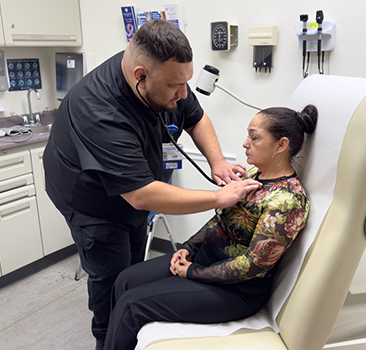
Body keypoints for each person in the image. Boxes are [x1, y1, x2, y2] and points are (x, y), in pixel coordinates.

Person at [43, 20, 260, 350]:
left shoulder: (166, 76)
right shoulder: (98, 110)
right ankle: (107, 337)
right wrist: (218, 197)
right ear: (140, 76)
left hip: (132, 197)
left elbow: (196, 118)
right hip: (91, 203)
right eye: (176, 87)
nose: (183, 94)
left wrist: (217, 162)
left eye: (185, 83)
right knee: (109, 277)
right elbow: (142, 195)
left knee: (131, 269)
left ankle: (127, 328)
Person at [103, 105, 318, 350]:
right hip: (203, 261)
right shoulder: (253, 176)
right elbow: (219, 220)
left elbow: (252, 265)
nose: (245, 143)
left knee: (132, 305)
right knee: (124, 281)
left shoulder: (286, 202)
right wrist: (187, 248)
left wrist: (192, 272)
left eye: (254, 137)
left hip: (236, 291)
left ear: (281, 145)